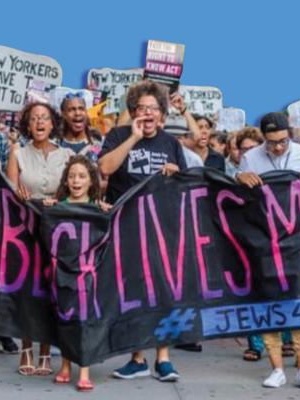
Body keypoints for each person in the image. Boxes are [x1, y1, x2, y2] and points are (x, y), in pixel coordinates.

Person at [98, 81, 186, 381]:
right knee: (133, 292)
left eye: (153, 109)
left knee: (163, 290)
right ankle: (137, 358)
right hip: (127, 229)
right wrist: (133, 138)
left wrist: (176, 175)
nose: (147, 113)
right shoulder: (118, 135)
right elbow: (106, 168)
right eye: (141, 108)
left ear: (162, 115)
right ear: (133, 112)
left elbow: (186, 187)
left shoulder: (171, 144)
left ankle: (163, 358)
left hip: (162, 229)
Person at [236, 112, 300, 390]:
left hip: (299, 241)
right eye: (272, 143)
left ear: (290, 134)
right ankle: (277, 369)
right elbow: (241, 199)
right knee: (268, 302)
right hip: (266, 241)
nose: (278, 148)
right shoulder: (251, 158)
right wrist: (240, 176)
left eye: (283, 141)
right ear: (263, 139)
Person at [7, 102, 73, 376]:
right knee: (27, 292)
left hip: (56, 232)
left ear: (53, 123)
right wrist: (18, 196)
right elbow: (9, 194)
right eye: (34, 119)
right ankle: (26, 349)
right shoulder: (18, 154)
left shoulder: (68, 155)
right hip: (26, 231)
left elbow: (76, 191)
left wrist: (58, 200)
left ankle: (46, 351)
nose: (39, 123)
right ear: (27, 125)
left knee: (50, 292)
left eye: (45, 118)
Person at [43, 155, 110, 392]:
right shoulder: (58, 207)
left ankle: (84, 370)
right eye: (71, 176)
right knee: (65, 319)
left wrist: (105, 211)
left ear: (91, 181)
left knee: (85, 321)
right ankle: (65, 365)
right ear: (66, 181)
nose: (76, 180)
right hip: (62, 274)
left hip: (88, 276)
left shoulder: (97, 209)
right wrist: (49, 207)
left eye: (82, 176)